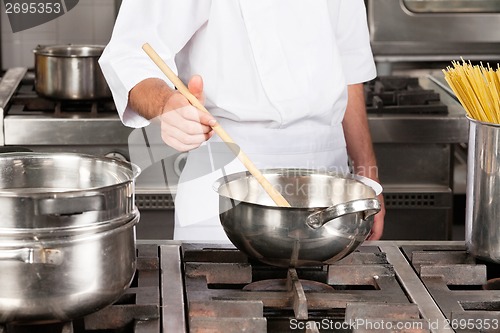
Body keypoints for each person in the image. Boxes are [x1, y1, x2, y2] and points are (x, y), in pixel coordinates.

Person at [99, 0, 386, 241]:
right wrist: (166, 104)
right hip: (226, 183)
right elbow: (132, 53)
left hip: (330, 190)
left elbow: (350, 69)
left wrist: (368, 179)